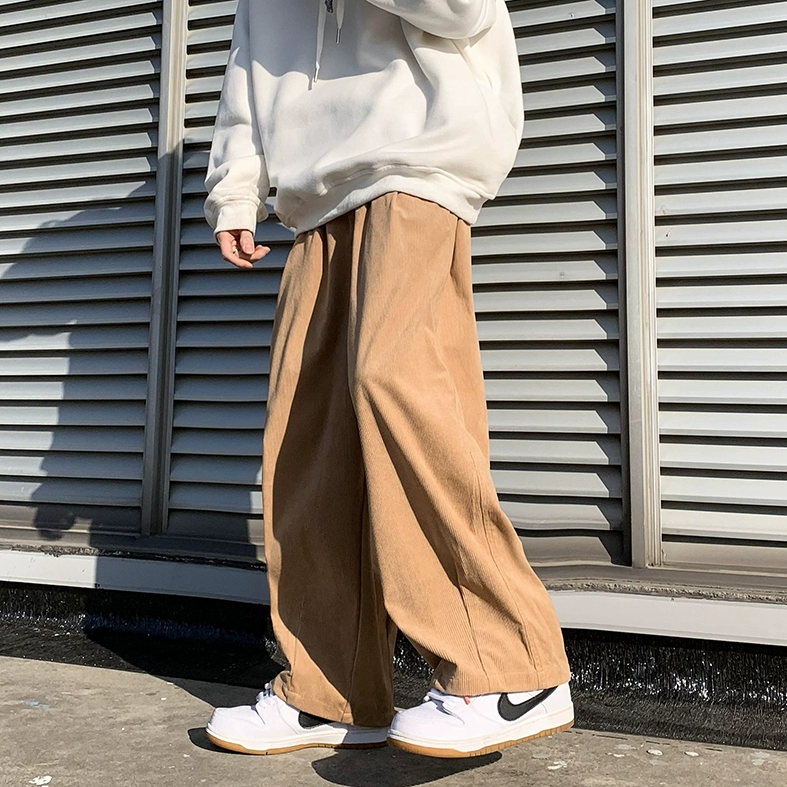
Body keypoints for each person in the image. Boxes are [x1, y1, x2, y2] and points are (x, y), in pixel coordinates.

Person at [202, 0, 574, 759]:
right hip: (312, 206)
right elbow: (247, 72)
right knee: (306, 442)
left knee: (397, 386)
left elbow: (463, 12)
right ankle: (331, 693)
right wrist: (236, 188)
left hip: (415, 166)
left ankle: (510, 665)